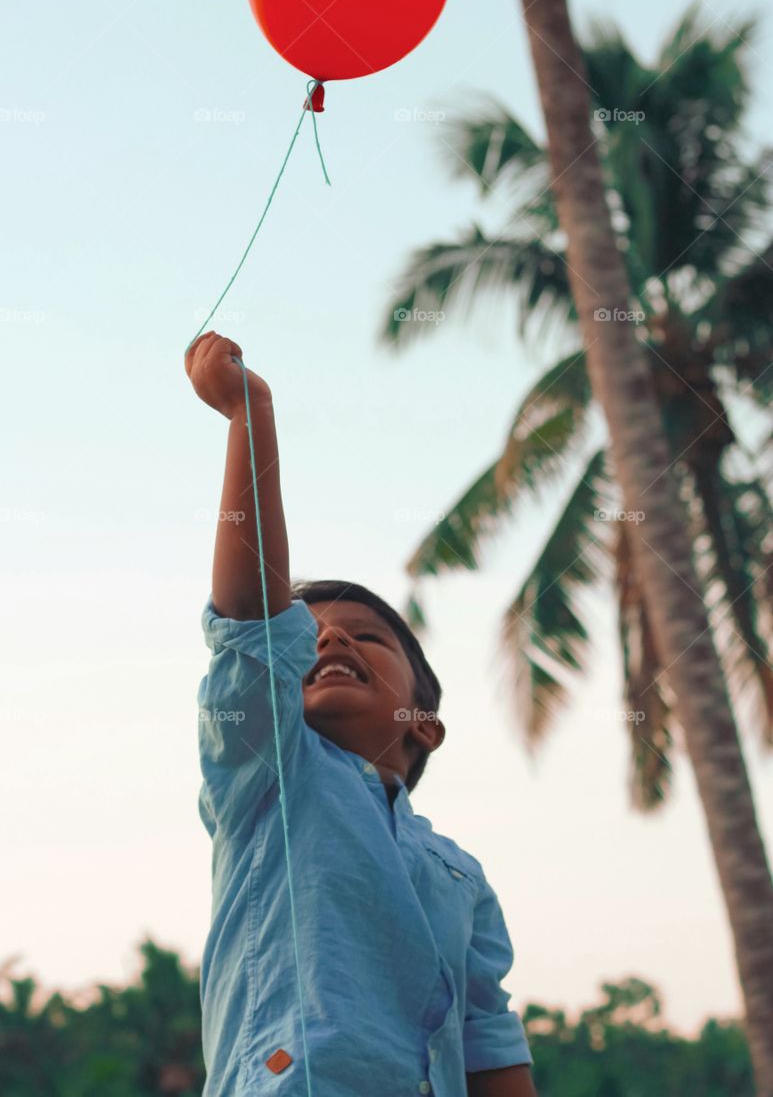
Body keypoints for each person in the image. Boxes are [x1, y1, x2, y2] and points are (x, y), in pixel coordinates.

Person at [185, 331, 537, 1097]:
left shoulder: (460, 875)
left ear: (423, 723)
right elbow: (250, 628)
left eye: (367, 636)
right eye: (308, 634)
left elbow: (486, 1036)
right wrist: (251, 416)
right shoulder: (267, 776)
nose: (332, 634)